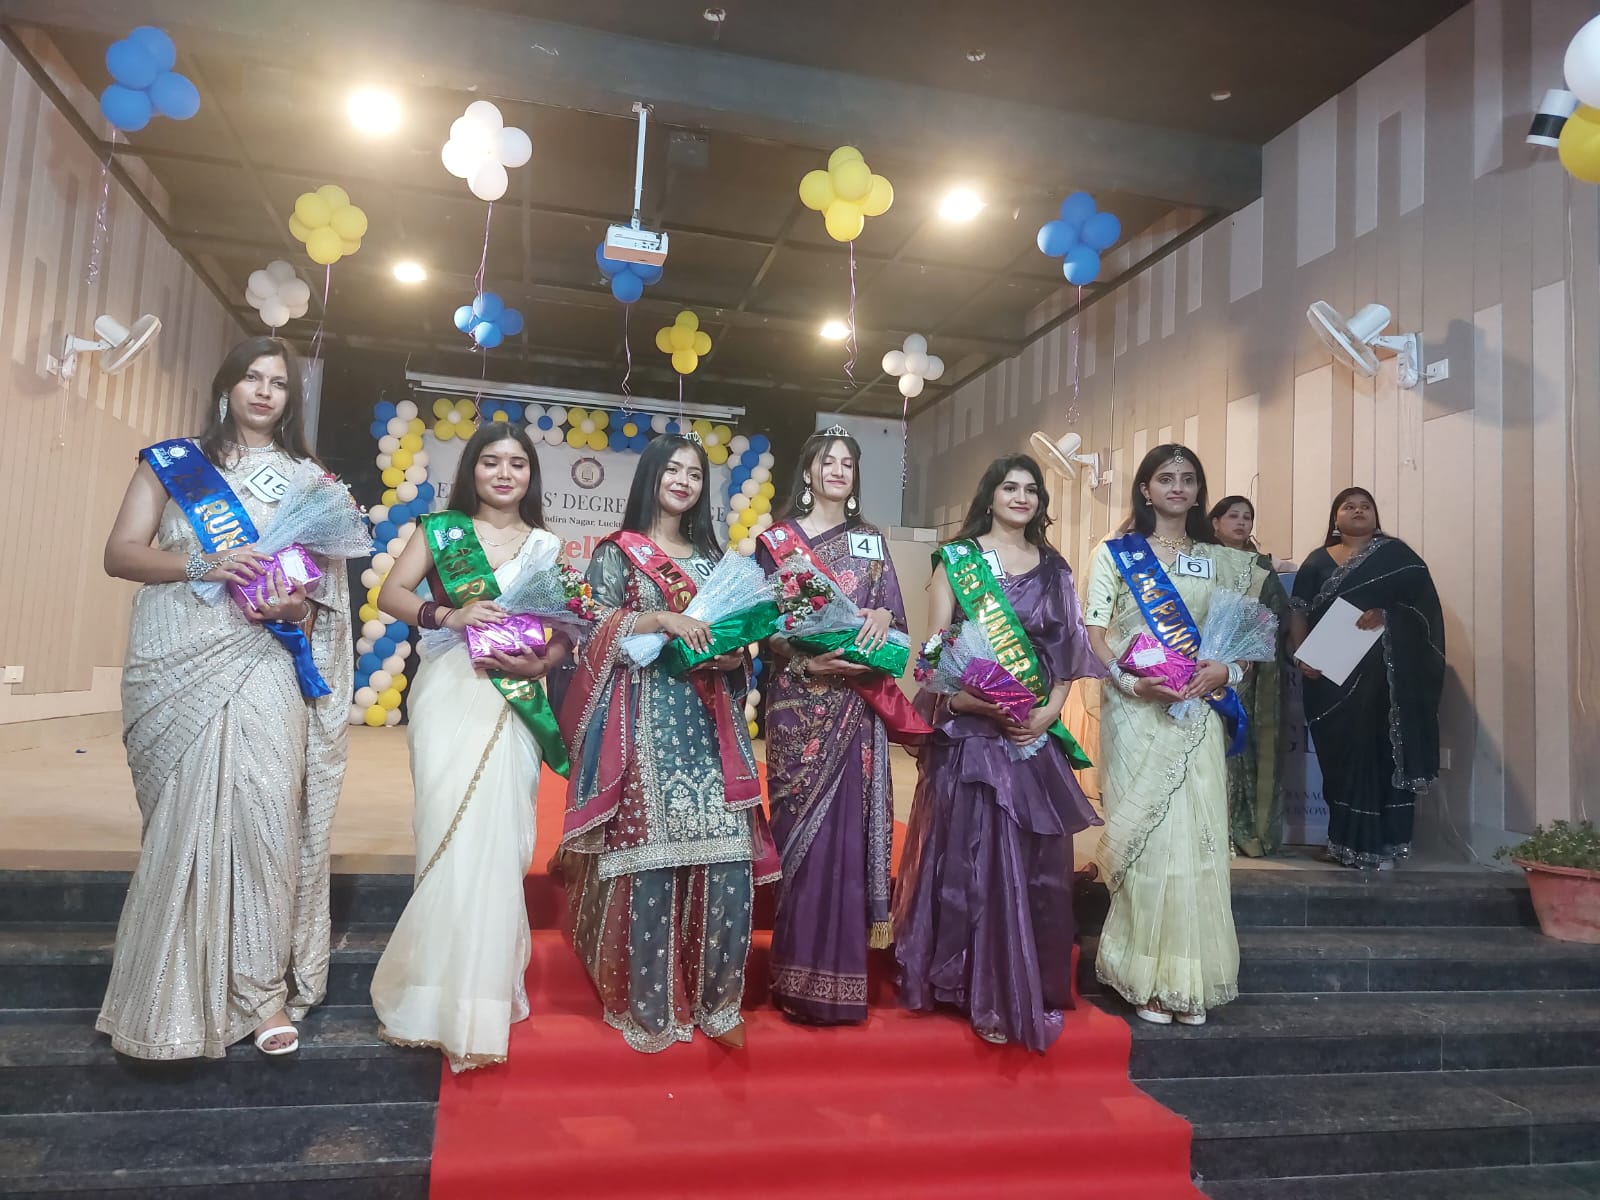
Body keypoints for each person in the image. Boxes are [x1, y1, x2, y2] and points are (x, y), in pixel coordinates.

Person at [97, 337, 354, 1059]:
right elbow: (121, 553)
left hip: (266, 658)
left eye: (278, 382)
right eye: (251, 377)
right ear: (226, 387)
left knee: (268, 815)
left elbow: (322, 598)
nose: (264, 391)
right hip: (174, 658)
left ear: (291, 399)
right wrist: (205, 561)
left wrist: (294, 610)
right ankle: (167, 997)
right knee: (182, 822)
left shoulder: (312, 481)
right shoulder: (173, 463)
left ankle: (262, 992)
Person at [556, 434, 778, 1052]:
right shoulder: (618, 554)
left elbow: (736, 639)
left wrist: (735, 656)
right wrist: (658, 618)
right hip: (644, 724)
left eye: (695, 473)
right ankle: (652, 1001)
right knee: (650, 858)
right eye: (673, 470)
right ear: (651, 476)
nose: (684, 481)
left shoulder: (713, 559)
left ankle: (719, 1001)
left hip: (713, 724)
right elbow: (589, 631)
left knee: (725, 857)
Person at [370, 423, 569, 1071]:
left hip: (513, 694)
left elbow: (566, 627)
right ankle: (429, 993)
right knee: (444, 831)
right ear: (472, 471)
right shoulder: (441, 532)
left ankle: (480, 999)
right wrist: (449, 615)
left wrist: (544, 663)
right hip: (449, 688)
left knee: (498, 841)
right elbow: (391, 594)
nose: (504, 473)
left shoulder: (545, 545)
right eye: (491, 462)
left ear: (531, 475)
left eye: (517, 463)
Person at [893, 454, 1103, 1051]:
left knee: (1032, 860)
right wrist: (973, 703)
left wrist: (1050, 711)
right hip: (973, 729)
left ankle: (1017, 977)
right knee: (972, 857)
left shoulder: (1055, 568)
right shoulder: (957, 560)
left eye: (1031, 489)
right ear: (990, 495)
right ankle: (969, 982)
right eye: (1010, 487)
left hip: (1034, 729)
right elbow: (936, 653)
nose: (1021, 497)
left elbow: (1068, 653)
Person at [1084, 445, 1264, 1027]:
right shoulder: (1115, 554)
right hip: (1136, 708)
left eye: (1188, 478)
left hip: (1198, 710)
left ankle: (1190, 978)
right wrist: (1130, 683)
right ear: (1145, 489)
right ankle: (1144, 977)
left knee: (1198, 842)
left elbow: (1245, 644)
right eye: (1166, 478)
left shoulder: (1222, 561)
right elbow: (1095, 634)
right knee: (1150, 843)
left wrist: (1227, 672)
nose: (1178, 487)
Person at [756, 425, 925, 1026]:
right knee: (801, 839)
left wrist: (880, 617)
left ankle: (841, 983)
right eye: (826, 461)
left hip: (854, 707)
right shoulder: (777, 541)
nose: (837, 470)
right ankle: (793, 977)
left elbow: (896, 625)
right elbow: (763, 627)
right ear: (807, 471)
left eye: (847, 463)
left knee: (847, 838)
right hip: (797, 707)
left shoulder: (870, 540)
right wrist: (807, 660)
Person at [1288, 487, 1443, 870]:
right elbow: (1298, 612)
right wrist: (1302, 655)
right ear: (1335, 518)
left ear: (1375, 515)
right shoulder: (1316, 561)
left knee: (1382, 751)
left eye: (1365, 506)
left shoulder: (1398, 557)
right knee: (1340, 759)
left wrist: (1389, 615)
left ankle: (1385, 842)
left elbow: (1423, 610)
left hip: (1385, 684)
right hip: (1329, 678)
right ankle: (1343, 841)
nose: (1358, 511)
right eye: (1349, 506)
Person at [1207, 495, 1292, 857]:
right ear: (1215, 522)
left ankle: (1242, 827)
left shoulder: (1260, 566)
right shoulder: (1200, 558)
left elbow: (1274, 613)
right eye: (1233, 516)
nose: (1242, 523)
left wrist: (1248, 651)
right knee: (1208, 745)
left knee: (1241, 746)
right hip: (1203, 665)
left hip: (1248, 670)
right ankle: (1207, 829)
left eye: (1247, 517)